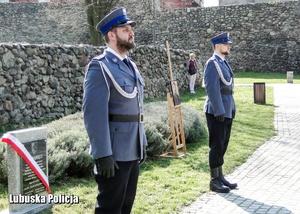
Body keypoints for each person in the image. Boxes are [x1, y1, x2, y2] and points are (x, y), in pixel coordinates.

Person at [82, 7, 147, 214]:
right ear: (112, 35)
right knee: (110, 208)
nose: (131, 32)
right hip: (114, 153)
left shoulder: (130, 66)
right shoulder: (99, 67)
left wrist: (141, 143)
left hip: (132, 149)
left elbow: (136, 109)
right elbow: (93, 114)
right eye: (125, 29)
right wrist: (102, 154)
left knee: (126, 206)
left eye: (130, 29)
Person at [203, 32, 237, 193]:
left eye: (229, 44)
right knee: (216, 145)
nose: (229, 46)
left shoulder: (223, 63)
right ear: (217, 46)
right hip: (217, 111)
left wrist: (232, 107)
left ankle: (220, 176)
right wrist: (219, 110)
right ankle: (214, 180)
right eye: (226, 44)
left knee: (223, 144)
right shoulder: (212, 63)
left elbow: (228, 88)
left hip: (227, 109)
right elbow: (212, 89)